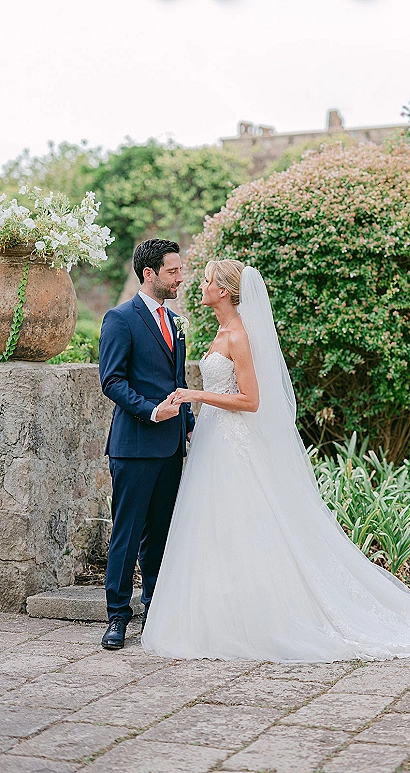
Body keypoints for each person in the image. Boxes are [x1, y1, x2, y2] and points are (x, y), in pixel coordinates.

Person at [141, 260, 410, 662]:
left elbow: (252, 400)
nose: (202, 285)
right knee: (218, 530)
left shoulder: (239, 336)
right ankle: (220, 616)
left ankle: (263, 619)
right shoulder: (216, 333)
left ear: (228, 291)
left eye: (210, 279)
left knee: (252, 526)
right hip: (216, 441)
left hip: (237, 445)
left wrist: (196, 395)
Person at [99, 239, 195, 650]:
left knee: (160, 535)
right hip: (134, 445)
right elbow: (112, 381)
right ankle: (118, 617)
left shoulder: (175, 322)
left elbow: (179, 383)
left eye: (180, 270)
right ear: (149, 274)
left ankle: (154, 610)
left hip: (171, 447)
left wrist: (188, 425)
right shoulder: (120, 319)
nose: (180, 278)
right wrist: (153, 412)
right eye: (173, 271)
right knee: (128, 532)